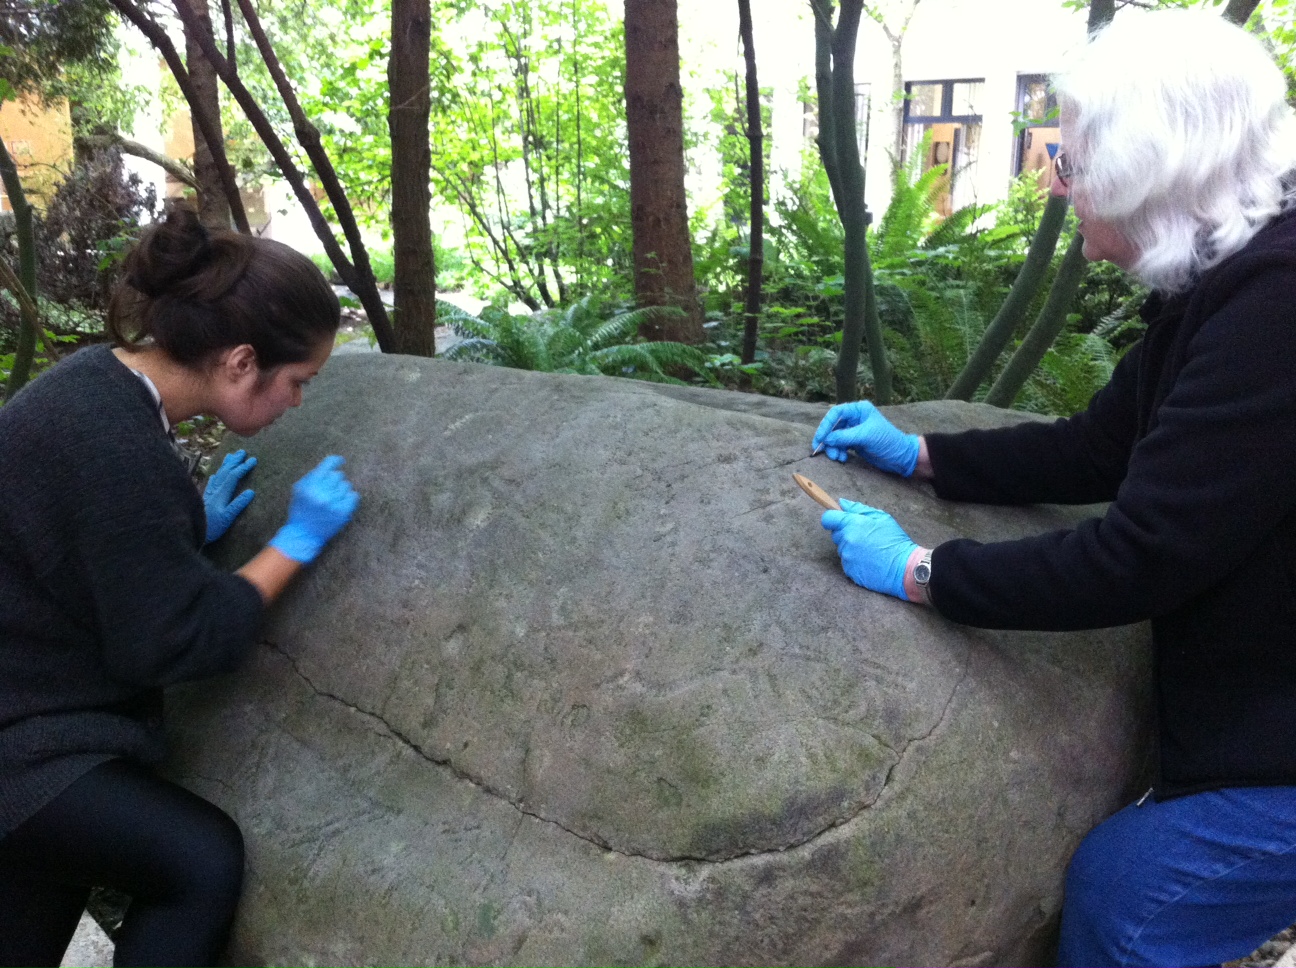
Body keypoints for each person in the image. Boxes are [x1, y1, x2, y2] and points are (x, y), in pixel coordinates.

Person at [811, 11, 1296, 968]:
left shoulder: (1278, 312)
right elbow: (1103, 449)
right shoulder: (1229, 274)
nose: (1055, 184)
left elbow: (1141, 555)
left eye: (1068, 164)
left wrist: (921, 572)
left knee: (1129, 900)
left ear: (1147, 174)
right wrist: (925, 458)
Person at [0, 206, 360, 968]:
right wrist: (293, 544)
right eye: (298, 382)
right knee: (197, 862)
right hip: (24, 745)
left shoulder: (95, 388)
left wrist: (182, 529)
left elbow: (73, 551)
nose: (297, 403)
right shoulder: (116, 445)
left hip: (22, 720)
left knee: (46, 881)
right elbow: (173, 641)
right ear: (239, 361)